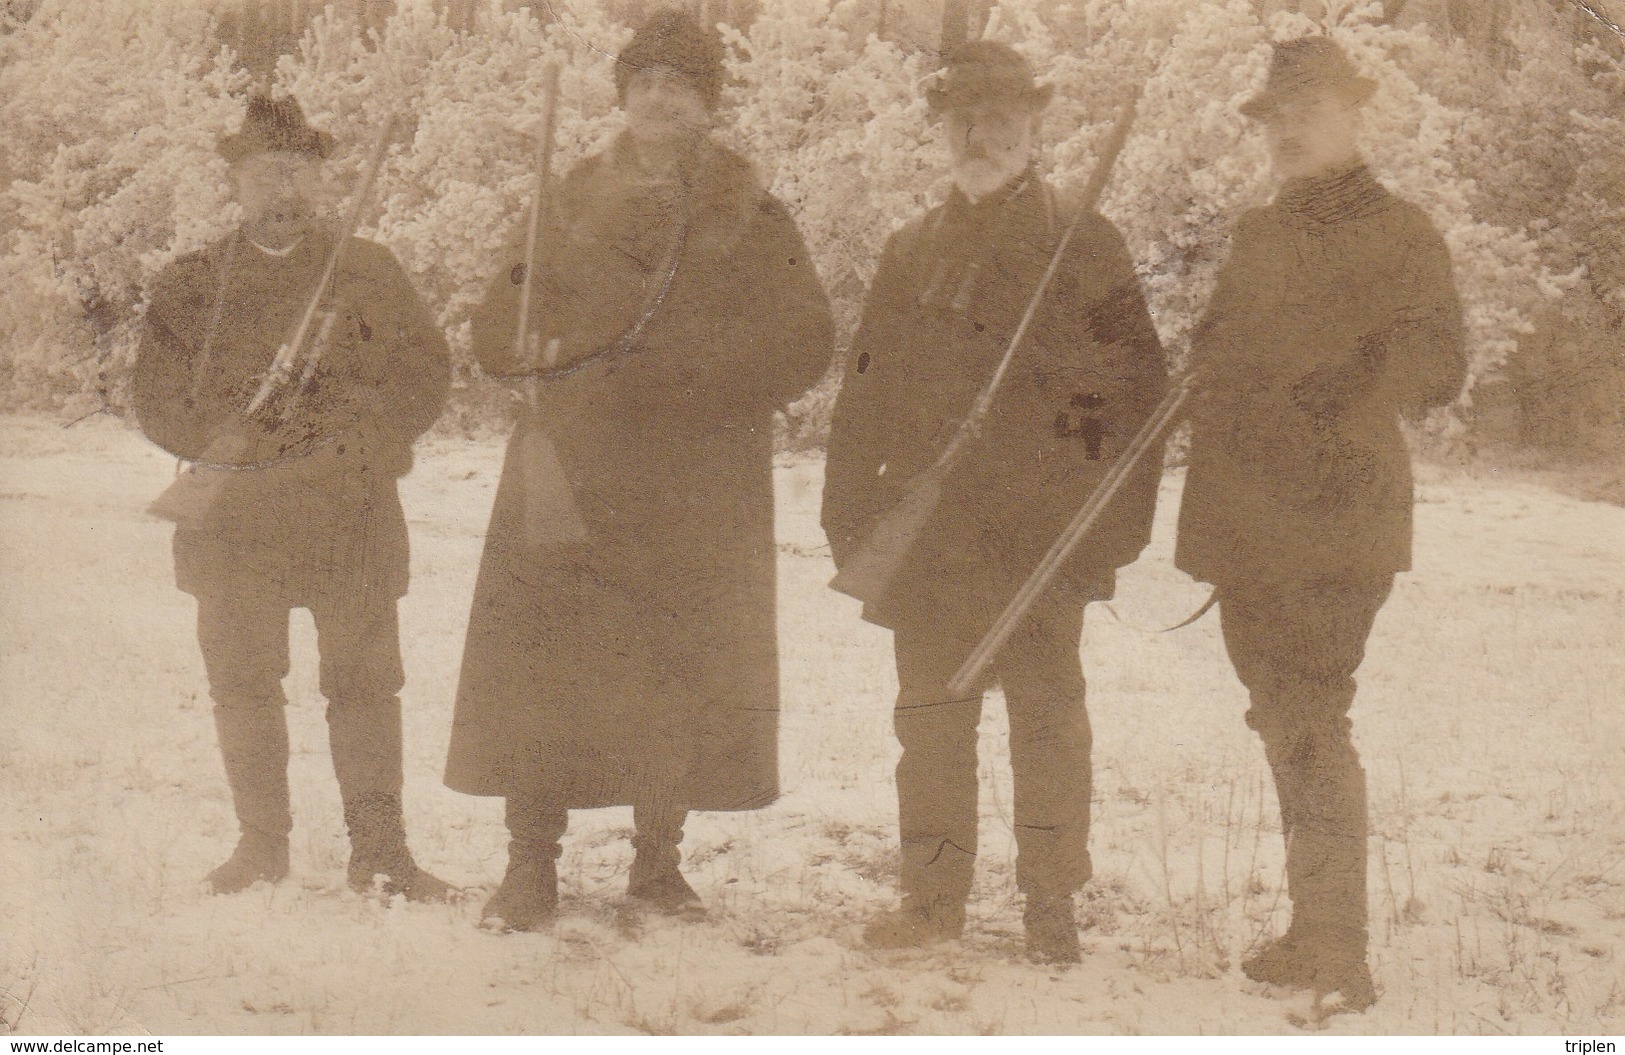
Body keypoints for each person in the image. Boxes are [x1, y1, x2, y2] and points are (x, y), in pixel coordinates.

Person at [443, 10, 835, 931]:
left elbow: (806, 336)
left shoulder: (750, 210)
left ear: (706, 106)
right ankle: (529, 865)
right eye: (645, 81)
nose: (660, 97)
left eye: (681, 84)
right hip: (571, 469)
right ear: (623, 96)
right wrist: (522, 342)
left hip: (692, 479)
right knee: (547, 664)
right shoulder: (565, 199)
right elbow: (494, 322)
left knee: (677, 666)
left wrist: (705, 378)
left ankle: (658, 864)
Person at [821, 41, 1167, 964]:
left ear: (1035, 125)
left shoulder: (1086, 244)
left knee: (1047, 721)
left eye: (1002, 116)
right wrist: (851, 518)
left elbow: (1132, 396)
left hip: (1041, 535)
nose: (982, 134)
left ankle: (1050, 903)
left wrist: (1099, 524)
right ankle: (931, 898)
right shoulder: (909, 251)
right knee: (928, 721)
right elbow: (864, 397)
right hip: (930, 534)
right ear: (941, 128)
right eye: (964, 118)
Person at [1176, 37, 1467, 1009]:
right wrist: (1209, 346)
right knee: (1280, 714)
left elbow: (1439, 360)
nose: (1285, 128)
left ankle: (1339, 948)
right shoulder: (1258, 234)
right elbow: (1222, 344)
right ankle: (1312, 928)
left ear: (1351, 114)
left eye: (1306, 107)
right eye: (1273, 113)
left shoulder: (1400, 230)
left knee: (1307, 711)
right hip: (1248, 518)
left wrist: (1359, 372)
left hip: (1338, 515)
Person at [132, 94, 453, 900]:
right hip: (238, 517)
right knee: (242, 681)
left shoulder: (369, 269)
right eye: (267, 171)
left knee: (366, 682)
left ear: (319, 180)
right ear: (234, 181)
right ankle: (260, 847)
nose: (284, 189)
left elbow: (425, 373)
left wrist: (370, 439)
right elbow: (159, 398)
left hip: (350, 511)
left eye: (300, 171)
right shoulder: (192, 283)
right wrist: (231, 441)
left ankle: (380, 851)